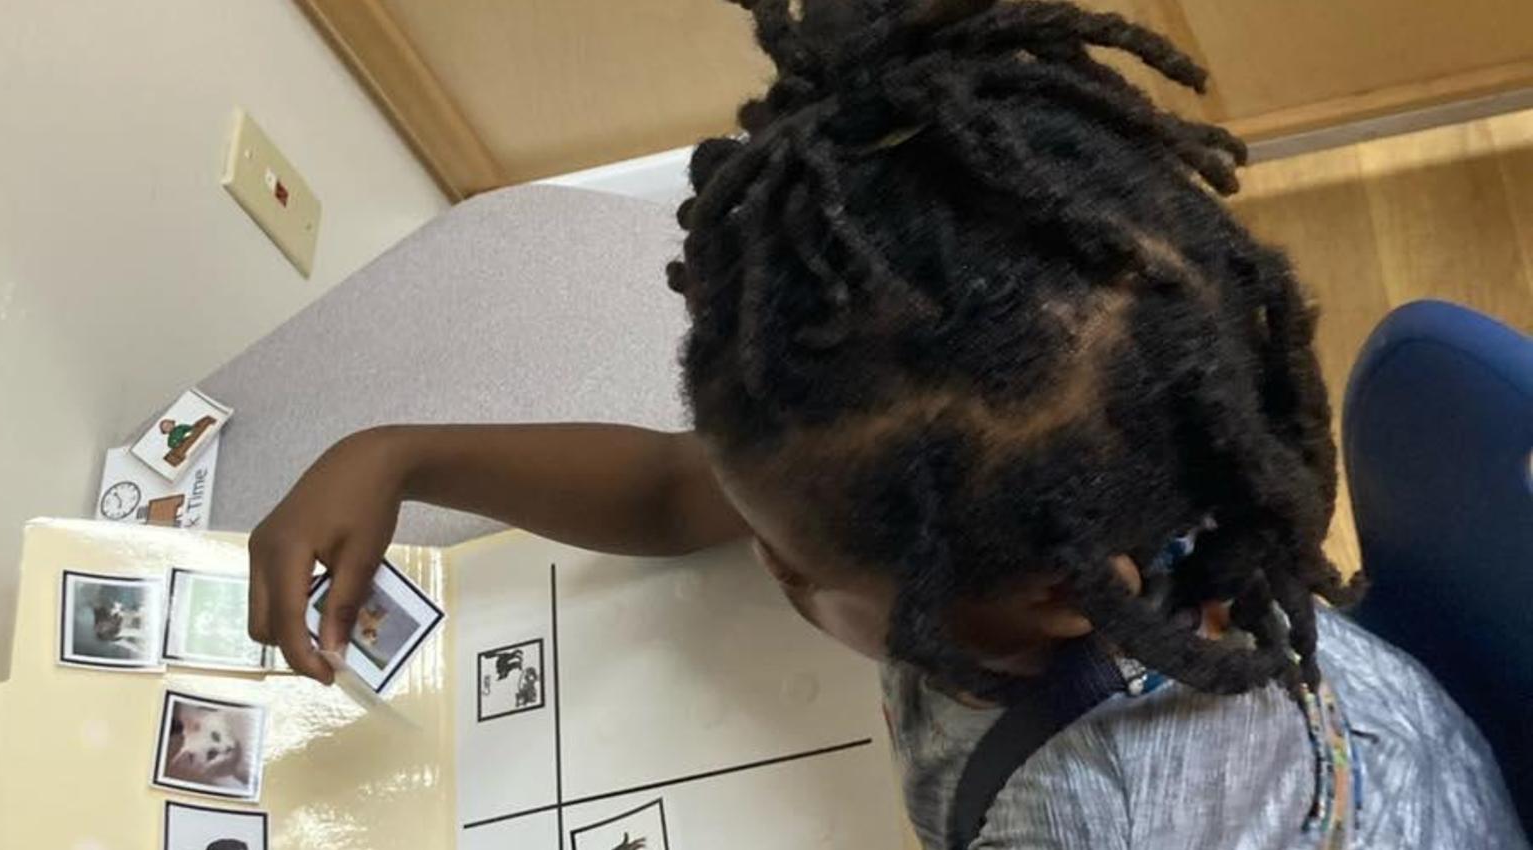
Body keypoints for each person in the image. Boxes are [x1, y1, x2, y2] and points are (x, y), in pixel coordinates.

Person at [246, 0, 1525, 846]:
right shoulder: (1098, 481)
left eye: (790, 567)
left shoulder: (1105, 817)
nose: (759, 559)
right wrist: (396, 453)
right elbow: (663, 494)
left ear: (1038, 601)